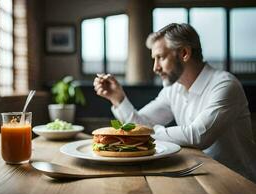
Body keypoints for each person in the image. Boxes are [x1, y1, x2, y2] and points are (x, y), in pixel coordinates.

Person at [93, 23, 256, 181]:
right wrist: (118, 98)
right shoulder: (173, 89)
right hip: (198, 176)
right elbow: (139, 125)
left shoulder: (225, 85)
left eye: (161, 57)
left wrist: (149, 133)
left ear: (184, 53)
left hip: (238, 182)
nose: (155, 67)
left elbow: (198, 136)